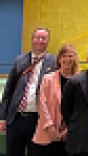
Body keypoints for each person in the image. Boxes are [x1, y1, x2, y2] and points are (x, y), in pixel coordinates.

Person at [0, 28, 58, 156]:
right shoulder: (20, 60)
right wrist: (2, 117)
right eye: (38, 37)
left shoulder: (54, 62)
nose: (40, 41)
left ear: (48, 41)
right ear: (32, 40)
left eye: (44, 38)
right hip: (15, 118)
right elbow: (8, 90)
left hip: (38, 120)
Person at [31, 43, 79, 156]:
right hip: (47, 132)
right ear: (59, 59)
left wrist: (69, 129)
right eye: (64, 56)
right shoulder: (48, 79)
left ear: (75, 58)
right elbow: (42, 104)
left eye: (71, 56)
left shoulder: (80, 80)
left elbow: (81, 108)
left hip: (71, 134)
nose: (67, 59)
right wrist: (50, 127)